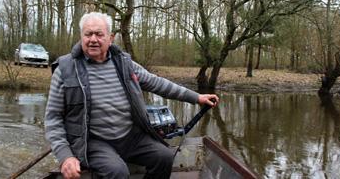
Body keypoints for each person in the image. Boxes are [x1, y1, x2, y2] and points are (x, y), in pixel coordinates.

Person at [44, 12, 219, 179]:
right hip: (93, 141)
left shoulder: (124, 63)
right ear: (81, 37)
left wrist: (196, 97)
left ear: (111, 38)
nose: (93, 40)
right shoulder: (65, 69)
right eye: (88, 34)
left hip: (130, 136)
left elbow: (157, 83)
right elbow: (53, 118)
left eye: (99, 34)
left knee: (164, 157)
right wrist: (65, 156)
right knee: (117, 172)